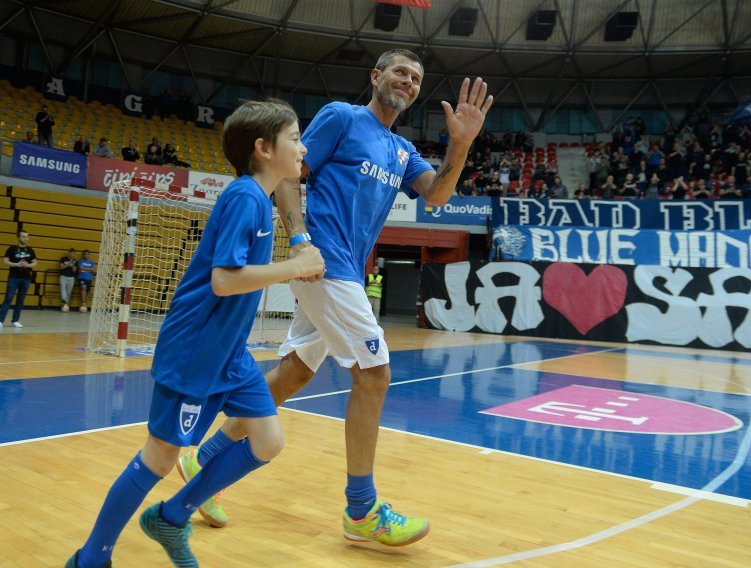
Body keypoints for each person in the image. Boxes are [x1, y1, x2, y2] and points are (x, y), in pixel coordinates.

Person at [184, 48, 493, 546]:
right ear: (376, 76)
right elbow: (289, 173)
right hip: (326, 264)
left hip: (343, 269)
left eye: (416, 78)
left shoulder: (402, 150)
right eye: (399, 71)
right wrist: (300, 238)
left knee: (296, 371)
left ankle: (202, 458)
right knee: (374, 374)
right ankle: (361, 510)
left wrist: (461, 144)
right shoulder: (342, 117)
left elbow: (436, 197)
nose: (408, 82)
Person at [65, 98, 325, 568]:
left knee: (268, 441)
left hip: (230, 356)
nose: (303, 148)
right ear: (264, 148)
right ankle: (91, 557)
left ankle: (173, 514)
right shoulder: (246, 197)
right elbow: (224, 280)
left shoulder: (259, 201)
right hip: (195, 353)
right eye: (295, 138)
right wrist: (295, 266)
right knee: (159, 459)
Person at [0, 230, 37, 328]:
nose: (26, 238)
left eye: (27, 237)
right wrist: (16, 264)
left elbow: (35, 263)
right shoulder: (11, 249)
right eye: (24, 236)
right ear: (18, 238)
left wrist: (28, 265)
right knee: (8, 298)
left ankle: (15, 320)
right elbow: (5, 261)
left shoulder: (30, 250)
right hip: (14, 278)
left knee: (20, 300)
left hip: (26, 279)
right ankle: (0, 320)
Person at [59, 248, 78, 312]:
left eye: (74, 253)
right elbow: (61, 267)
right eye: (72, 253)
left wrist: (72, 265)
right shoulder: (63, 259)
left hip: (71, 277)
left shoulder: (75, 261)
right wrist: (68, 263)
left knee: (68, 292)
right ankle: (64, 303)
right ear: (69, 253)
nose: (73, 254)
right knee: (63, 289)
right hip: (63, 276)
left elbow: (74, 271)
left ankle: (65, 305)